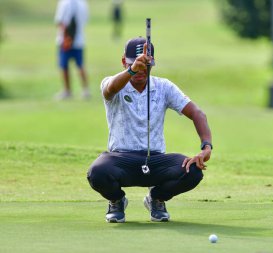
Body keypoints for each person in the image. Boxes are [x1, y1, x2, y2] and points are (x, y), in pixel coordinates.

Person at [87, 37, 213, 223]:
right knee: (97, 172)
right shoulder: (113, 82)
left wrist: (206, 147)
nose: (140, 70)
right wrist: (132, 70)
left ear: (152, 62)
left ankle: (157, 199)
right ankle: (116, 200)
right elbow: (109, 90)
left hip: (155, 160)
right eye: (133, 64)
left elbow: (197, 113)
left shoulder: (164, 87)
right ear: (124, 62)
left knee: (193, 171)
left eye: (145, 65)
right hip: (121, 160)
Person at [54, 0, 90, 100]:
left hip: (65, 40)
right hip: (79, 39)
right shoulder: (83, 3)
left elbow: (61, 21)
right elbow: (86, 19)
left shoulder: (64, 2)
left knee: (64, 66)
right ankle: (85, 90)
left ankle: (67, 90)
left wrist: (65, 38)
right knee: (80, 65)